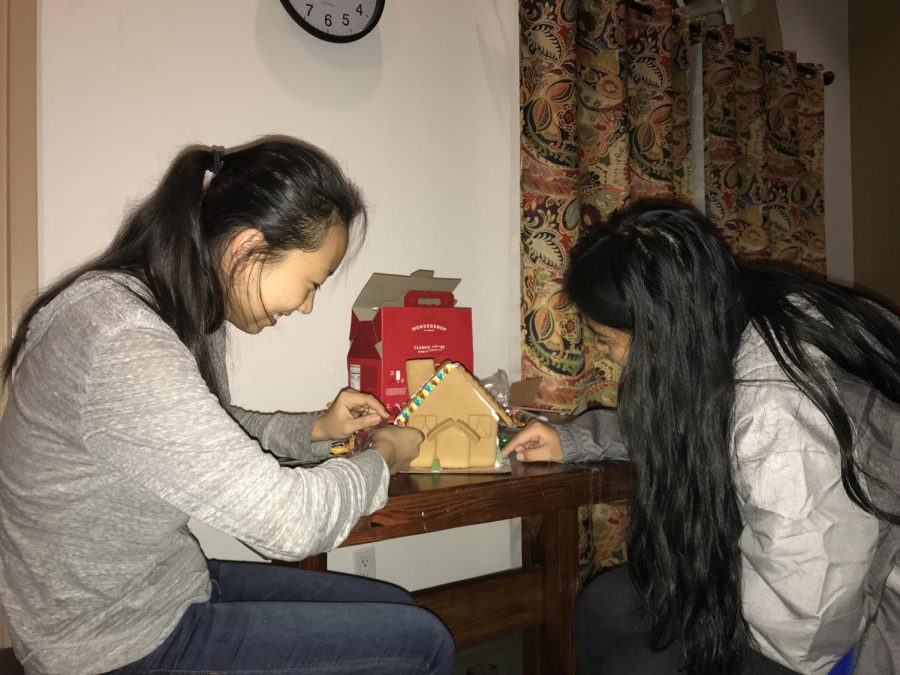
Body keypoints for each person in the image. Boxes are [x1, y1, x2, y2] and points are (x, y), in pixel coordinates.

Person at [0, 136, 454, 675]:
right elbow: (289, 524)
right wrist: (383, 456)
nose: (307, 307)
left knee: (398, 612)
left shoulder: (175, 307)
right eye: (311, 283)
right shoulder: (120, 338)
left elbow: (202, 429)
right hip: (106, 644)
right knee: (422, 644)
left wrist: (314, 427)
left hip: (161, 587)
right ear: (246, 250)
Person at [503, 200, 900, 675]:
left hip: (856, 621)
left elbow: (808, 621)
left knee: (636, 666)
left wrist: (709, 613)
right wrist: (574, 440)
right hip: (797, 584)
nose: (613, 361)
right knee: (604, 605)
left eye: (609, 342)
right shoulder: (729, 311)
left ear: (659, 333)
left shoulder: (780, 413)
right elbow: (691, 417)